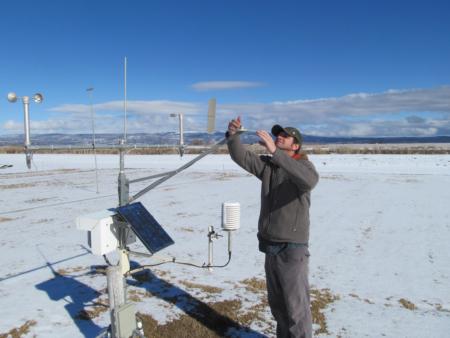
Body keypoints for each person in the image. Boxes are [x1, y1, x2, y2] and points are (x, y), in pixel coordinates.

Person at [226, 117, 319, 338]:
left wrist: (275, 153)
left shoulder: (304, 166)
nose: (279, 137)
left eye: (285, 136)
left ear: (295, 145)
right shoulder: (270, 166)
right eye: (278, 134)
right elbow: (242, 157)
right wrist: (233, 136)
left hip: (292, 247)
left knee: (296, 309)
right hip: (271, 245)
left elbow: (309, 181)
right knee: (278, 306)